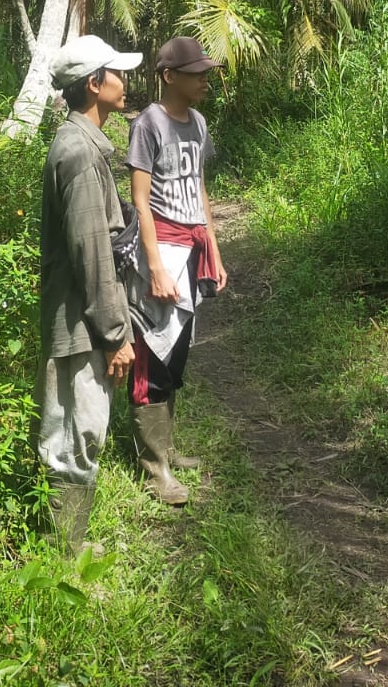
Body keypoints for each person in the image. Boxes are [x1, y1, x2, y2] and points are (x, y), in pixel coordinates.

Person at [36, 34, 142, 554]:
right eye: (115, 73)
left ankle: (67, 547)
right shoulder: (79, 154)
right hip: (79, 324)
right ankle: (68, 555)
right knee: (76, 434)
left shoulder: (80, 144)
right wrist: (115, 335)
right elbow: (92, 256)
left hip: (82, 319)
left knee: (79, 430)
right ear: (94, 84)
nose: (126, 82)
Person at [123, 36, 228, 505]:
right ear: (169, 76)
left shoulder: (199, 123)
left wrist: (215, 249)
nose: (205, 78)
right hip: (161, 250)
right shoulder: (149, 124)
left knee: (179, 348)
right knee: (152, 354)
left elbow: (199, 187)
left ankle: (166, 448)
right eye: (196, 72)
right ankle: (153, 469)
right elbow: (140, 201)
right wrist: (155, 268)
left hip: (190, 247)